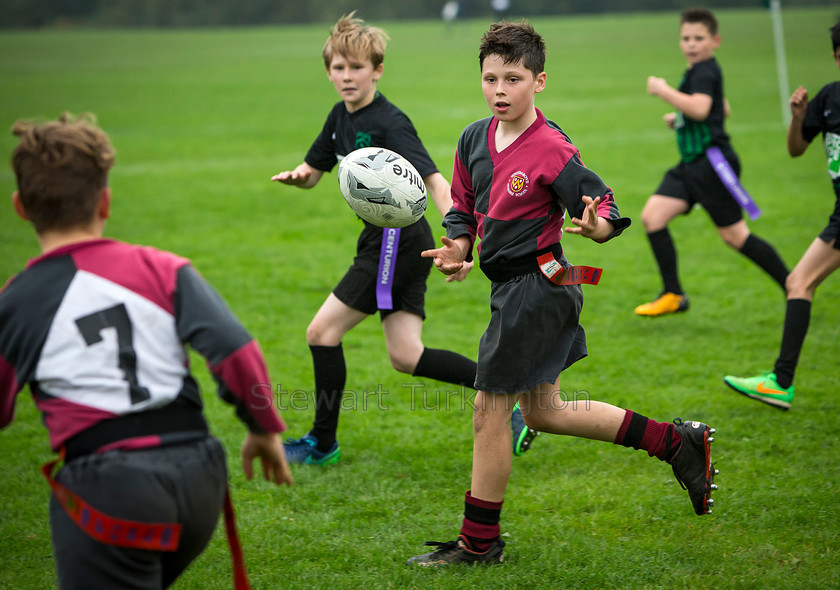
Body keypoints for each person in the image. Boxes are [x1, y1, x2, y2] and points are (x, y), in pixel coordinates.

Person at [407, 21, 718, 566]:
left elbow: (602, 206)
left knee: (489, 408)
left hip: (541, 286)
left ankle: (479, 544)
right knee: (546, 411)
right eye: (490, 79)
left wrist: (598, 227)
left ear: (539, 81)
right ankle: (674, 442)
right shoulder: (472, 138)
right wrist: (457, 248)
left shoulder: (552, 148)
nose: (500, 90)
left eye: (513, 78)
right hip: (516, 289)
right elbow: (461, 204)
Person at [0, 112, 293, 590]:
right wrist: (263, 429)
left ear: (19, 207)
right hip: (199, 477)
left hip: (110, 490)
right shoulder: (161, 268)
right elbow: (235, 349)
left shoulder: (18, 299)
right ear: (106, 201)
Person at [270, 12, 536, 465]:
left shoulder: (390, 122)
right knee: (406, 355)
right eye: (339, 67)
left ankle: (321, 443)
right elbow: (316, 171)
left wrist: (460, 239)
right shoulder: (339, 118)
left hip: (395, 245)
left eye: (357, 67)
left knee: (321, 332)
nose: (347, 77)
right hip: (386, 246)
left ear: (377, 70)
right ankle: (512, 400)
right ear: (329, 71)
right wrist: (300, 177)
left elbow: (435, 181)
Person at [634, 7, 788, 317]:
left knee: (735, 237)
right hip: (691, 163)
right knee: (653, 217)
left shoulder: (705, 69)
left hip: (712, 165)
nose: (691, 44)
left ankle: (794, 286)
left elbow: (704, 109)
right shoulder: (698, 70)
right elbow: (723, 108)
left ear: (715, 40)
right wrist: (679, 118)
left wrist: (665, 91)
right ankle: (674, 295)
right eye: (685, 38)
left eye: (699, 38)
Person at [723, 20, 840, 409]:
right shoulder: (828, 99)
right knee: (799, 282)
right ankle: (781, 382)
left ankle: (781, 381)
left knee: (799, 282)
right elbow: (795, 149)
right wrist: (797, 116)